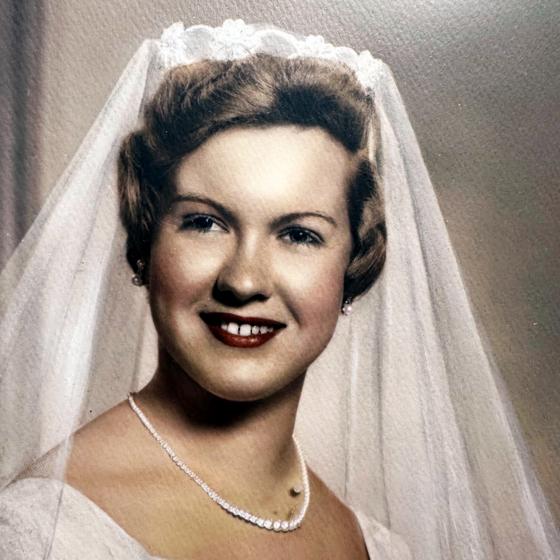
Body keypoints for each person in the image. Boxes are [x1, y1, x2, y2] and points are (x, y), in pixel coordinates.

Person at [0, 20, 558, 560]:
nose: (244, 281)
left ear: (355, 262)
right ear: (146, 239)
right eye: (204, 223)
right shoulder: (41, 535)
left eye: (299, 234)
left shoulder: (377, 547)